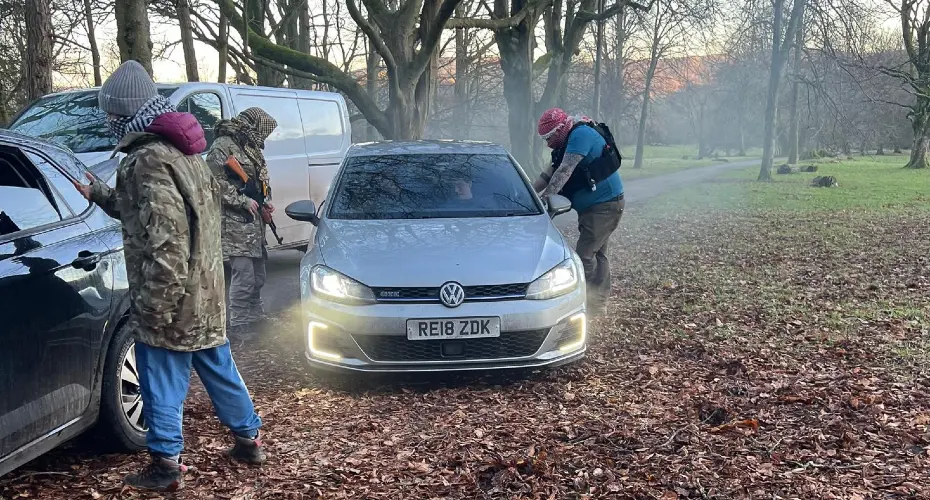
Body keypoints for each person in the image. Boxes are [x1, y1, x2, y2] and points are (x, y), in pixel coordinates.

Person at [71, 60, 265, 492]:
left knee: (160, 378)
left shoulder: (148, 160)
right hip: (206, 292)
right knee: (218, 366)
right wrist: (99, 193)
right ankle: (249, 438)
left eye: (110, 115)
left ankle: (165, 465)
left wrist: (156, 308)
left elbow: (166, 241)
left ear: (123, 113)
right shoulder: (185, 154)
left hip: (173, 295)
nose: (107, 122)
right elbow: (152, 214)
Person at [532, 108, 625, 316]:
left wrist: (545, 201)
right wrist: (529, 193)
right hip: (596, 207)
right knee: (599, 253)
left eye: (549, 138)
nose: (547, 143)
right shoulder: (565, 141)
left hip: (605, 205)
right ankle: (598, 305)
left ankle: (582, 304)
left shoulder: (580, 135)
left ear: (559, 130)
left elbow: (564, 171)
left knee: (585, 256)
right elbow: (548, 174)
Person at [205, 108, 278, 337]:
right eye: (262, 131)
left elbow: (258, 180)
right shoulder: (222, 146)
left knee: (258, 275)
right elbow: (213, 182)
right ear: (252, 126)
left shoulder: (250, 147)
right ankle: (239, 323)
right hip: (235, 223)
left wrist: (265, 202)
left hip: (254, 223)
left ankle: (256, 316)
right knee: (243, 275)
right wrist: (241, 200)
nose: (263, 137)